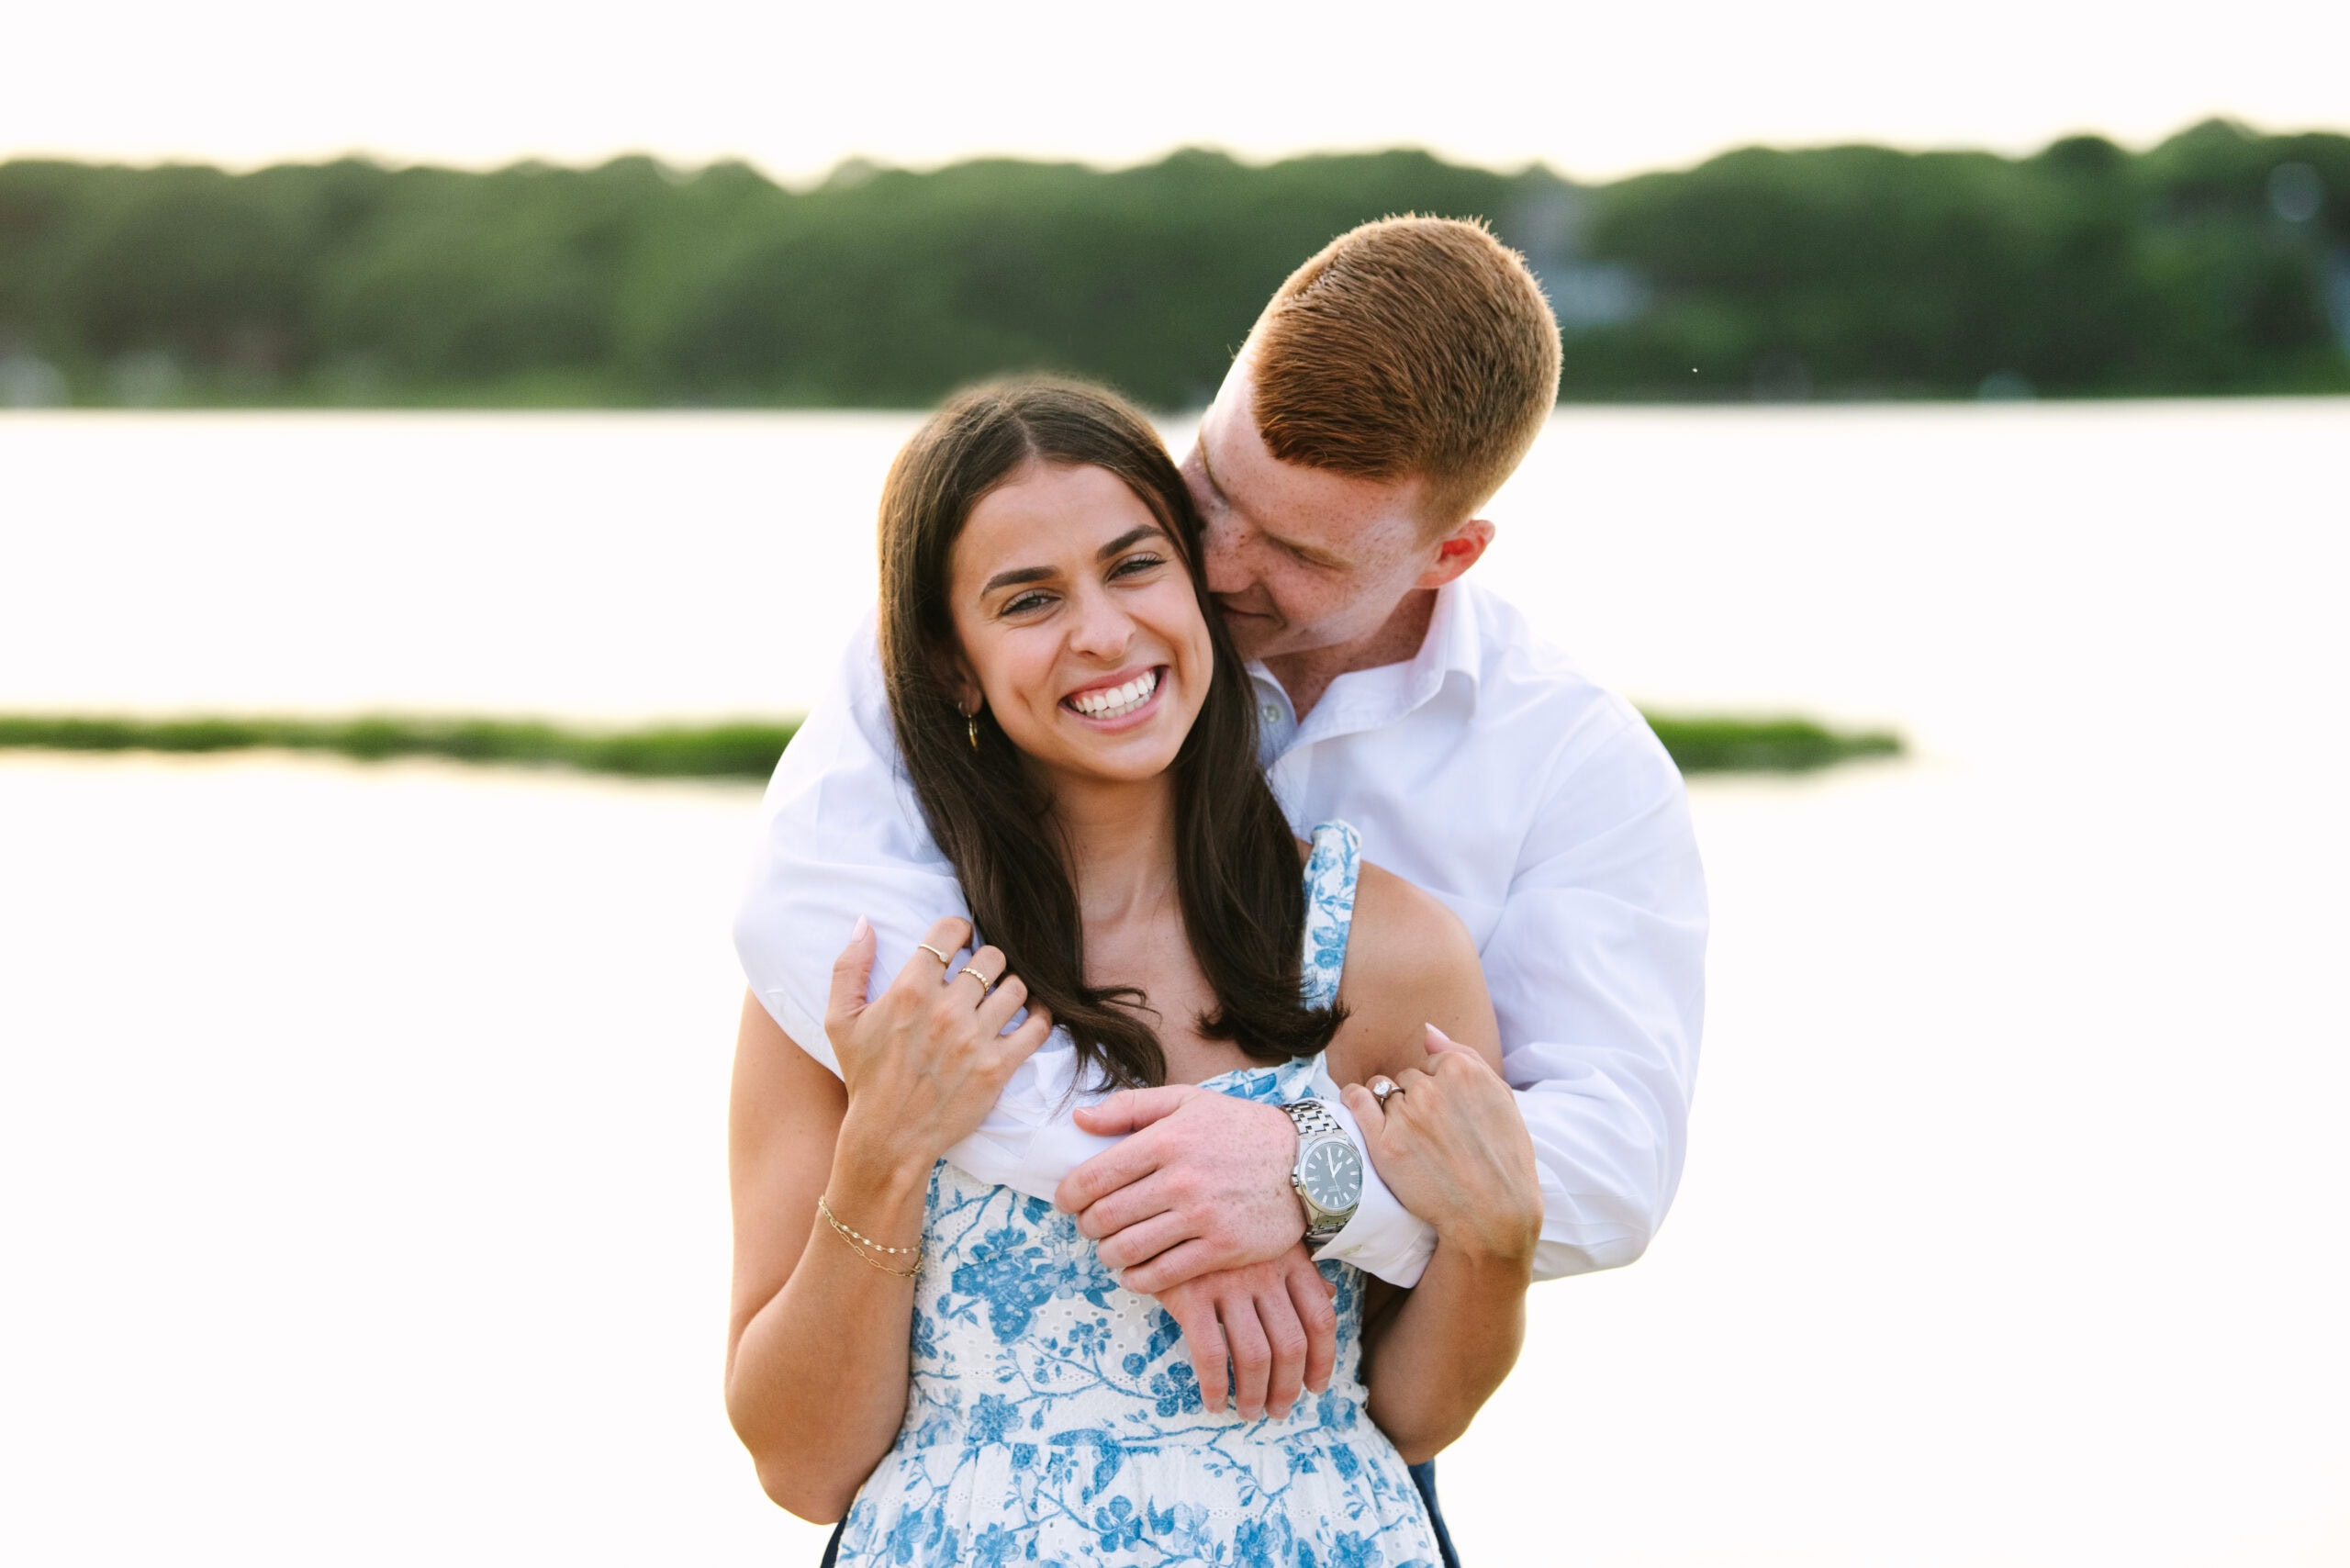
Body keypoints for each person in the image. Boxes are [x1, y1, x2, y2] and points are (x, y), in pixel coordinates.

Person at [733, 216, 1708, 1550]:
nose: (1224, 570)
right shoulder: (1030, 602)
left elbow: (1603, 1174)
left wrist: (1303, 1169)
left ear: (1448, 555)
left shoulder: (1555, 780)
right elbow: (793, 895)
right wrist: (1114, 1168)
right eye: (1215, 499)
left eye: (1301, 554)